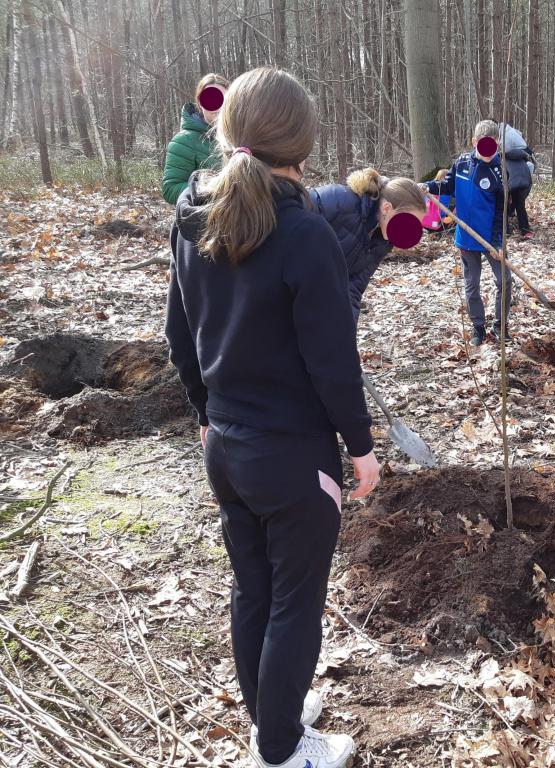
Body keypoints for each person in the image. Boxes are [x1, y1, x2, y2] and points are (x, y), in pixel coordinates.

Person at [165, 67, 378, 768]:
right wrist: (361, 445)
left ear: (227, 132)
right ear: (304, 145)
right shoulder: (305, 233)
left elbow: (180, 331)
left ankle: (271, 708)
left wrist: (205, 412)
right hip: (291, 458)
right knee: (293, 600)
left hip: (225, 446)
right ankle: (281, 749)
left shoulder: (192, 210)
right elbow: (331, 359)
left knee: (252, 586)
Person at [425, 119, 513, 345]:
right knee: (471, 284)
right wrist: (428, 186)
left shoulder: (500, 172)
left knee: (504, 280)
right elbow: (448, 185)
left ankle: (500, 326)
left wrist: (498, 243)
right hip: (466, 238)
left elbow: (502, 213)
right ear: (474, 142)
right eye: (484, 144)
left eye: (493, 144)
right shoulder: (462, 163)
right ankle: (478, 328)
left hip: (491, 239)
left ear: (498, 143)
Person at [311, 169, 426, 321]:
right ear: (387, 208)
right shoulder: (338, 200)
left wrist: (345, 333)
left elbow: (353, 289)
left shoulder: (382, 242)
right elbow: (285, 214)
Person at [161, 73, 230, 205]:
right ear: (200, 102)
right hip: (205, 221)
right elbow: (170, 189)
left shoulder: (241, 136)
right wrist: (210, 191)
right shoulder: (183, 141)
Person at [498, 122, 535, 239]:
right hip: (525, 184)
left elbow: (504, 177)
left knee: (502, 205)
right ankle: (525, 230)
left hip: (512, 184)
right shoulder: (522, 157)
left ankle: (506, 230)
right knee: (520, 206)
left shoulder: (503, 159)